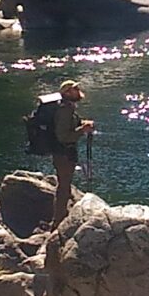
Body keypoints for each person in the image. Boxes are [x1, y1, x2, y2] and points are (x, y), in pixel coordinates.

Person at [49, 80, 95, 213]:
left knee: (65, 185)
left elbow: (71, 124)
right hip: (63, 153)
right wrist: (82, 130)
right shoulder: (65, 110)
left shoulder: (68, 108)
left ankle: (61, 215)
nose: (78, 90)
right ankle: (58, 220)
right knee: (64, 187)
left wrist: (83, 124)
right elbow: (63, 136)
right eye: (75, 88)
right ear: (67, 93)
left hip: (64, 152)